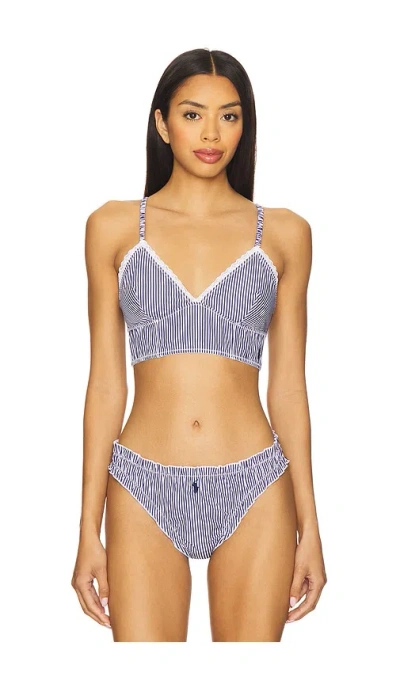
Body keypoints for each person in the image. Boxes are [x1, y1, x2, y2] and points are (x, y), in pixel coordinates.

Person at [71, 48, 327, 642]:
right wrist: (87, 528)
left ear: (245, 126)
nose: (212, 134)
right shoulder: (113, 227)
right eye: (193, 115)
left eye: (229, 116)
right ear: (162, 124)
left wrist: (310, 527)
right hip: (140, 483)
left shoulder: (285, 233)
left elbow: (289, 388)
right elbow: (105, 384)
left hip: (256, 484)